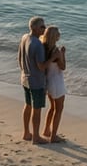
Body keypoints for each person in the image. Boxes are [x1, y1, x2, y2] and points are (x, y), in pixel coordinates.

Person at [17, 16, 49, 145]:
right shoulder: (37, 44)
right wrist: (53, 58)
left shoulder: (25, 38)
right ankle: (36, 136)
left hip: (25, 78)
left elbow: (19, 57)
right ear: (34, 28)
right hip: (36, 81)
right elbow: (41, 66)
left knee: (28, 105)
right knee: (37, 109)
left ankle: (26, 133)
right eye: (42, 26)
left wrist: (24, 70)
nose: (44, 28)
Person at [40, 25, 67, 143]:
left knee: (52, 107)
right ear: (55, 37)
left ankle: (46, 130)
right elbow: (63, 67)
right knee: (59, 109)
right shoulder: (56, 51)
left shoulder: (43, 48)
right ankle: (53, 135)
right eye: (58, 34)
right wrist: (63, 54)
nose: (59, 35)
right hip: (57, 82)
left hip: (48, 81)